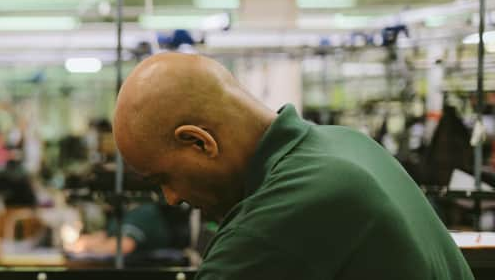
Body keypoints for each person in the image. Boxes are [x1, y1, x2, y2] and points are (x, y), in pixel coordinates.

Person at [113, 52, 474, 279]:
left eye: (164, 178)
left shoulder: (271, 224)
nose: (171, 198)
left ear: (199, 142)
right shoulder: (351, 144)